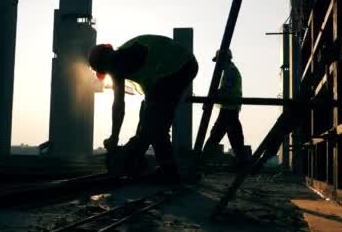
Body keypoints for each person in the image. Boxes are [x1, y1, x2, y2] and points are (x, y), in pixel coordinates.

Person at [89, 35, 198, 181]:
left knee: (154, 123)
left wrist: (114, 137)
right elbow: (121, 106)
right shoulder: (121, 58)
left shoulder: (118, 65)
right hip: (170, 70)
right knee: (151, 119)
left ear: (104, 67)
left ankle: (165, 169)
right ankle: (156, 165)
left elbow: (118, 107)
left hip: (178, 68)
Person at [202, 48, 246, 170]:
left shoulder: (230, 72)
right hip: (230, 108)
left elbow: (225, 90)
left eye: (218, 61)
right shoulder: (230, 71)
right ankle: (242, 163)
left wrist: (211, 97)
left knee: (216, 136)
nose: (217, 64)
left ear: (224, 59)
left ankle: (200, 162)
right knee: (235, 137)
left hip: (228, 109)